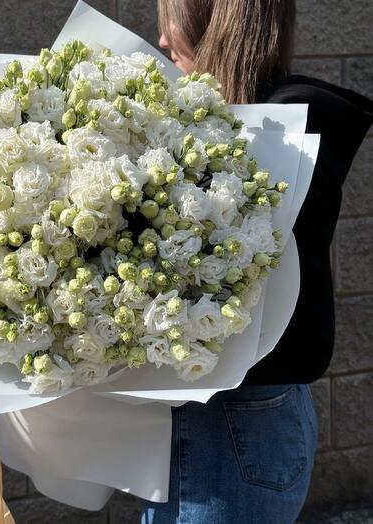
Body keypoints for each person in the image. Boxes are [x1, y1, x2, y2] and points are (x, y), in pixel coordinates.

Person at [140, 1, 373, 523]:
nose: (160, 40)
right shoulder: (242, 127)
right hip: (218, 419)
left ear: (211, 24)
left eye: (169, 20)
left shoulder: (282, 130)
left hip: (238, 420)